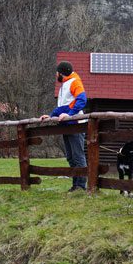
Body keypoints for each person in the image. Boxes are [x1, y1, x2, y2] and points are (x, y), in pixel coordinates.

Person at [40, 61, 88, 192]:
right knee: (71, 157)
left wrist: (70, 114)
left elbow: (82, 100)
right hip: (66, 125)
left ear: (61, 73)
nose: (56, 75)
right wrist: (50, 116)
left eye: (57, 73)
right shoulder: (64, 85)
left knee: (78, 156)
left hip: (75, 124)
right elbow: (62, 107)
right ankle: (75, 185)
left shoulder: (74, 82)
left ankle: (81, 186)